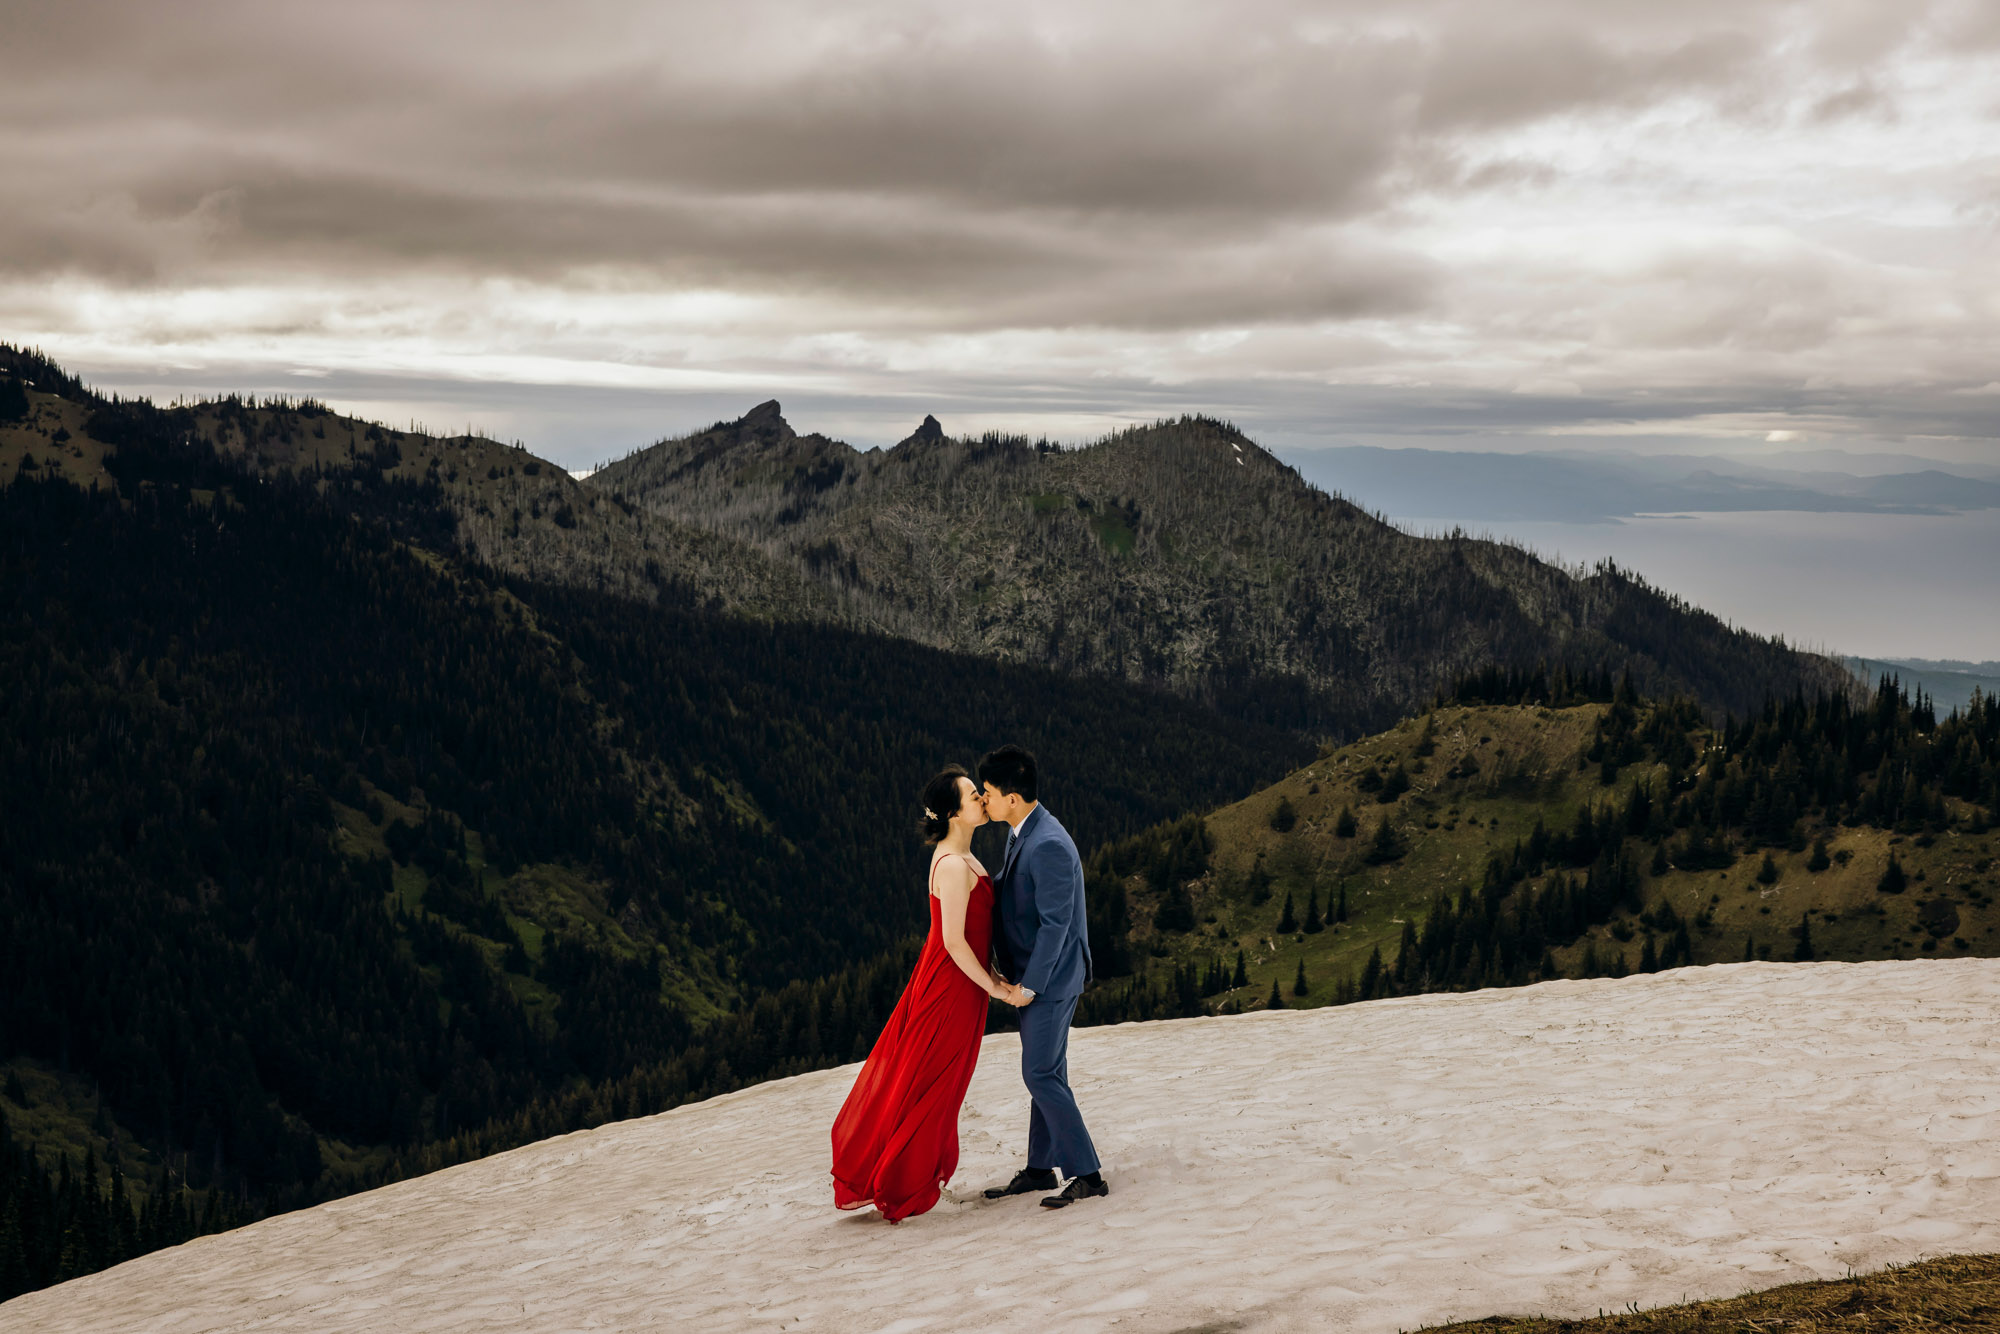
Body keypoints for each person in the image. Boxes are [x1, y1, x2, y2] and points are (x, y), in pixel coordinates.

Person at [830, 765, 1028, 1222]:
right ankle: (903, 1183)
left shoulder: (958, 856)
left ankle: (907, 1174)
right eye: (973, 795)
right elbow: (955, 943)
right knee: (932, 1081)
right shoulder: (955, 865)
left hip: (957, 983)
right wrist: (996, 988)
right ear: (955, 813)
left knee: (938, 1078)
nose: (982, 799)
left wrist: (992, 979)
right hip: (949, 987)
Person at [977, 744, 1108, 1209]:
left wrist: (1029, 985)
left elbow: (1058, 923)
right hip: (1037, 975)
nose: (983, 799)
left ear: (1012, 797)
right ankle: (1039, 1168)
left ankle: (1088, 1174)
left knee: (1040, 1073)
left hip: (1050, 981)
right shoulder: (1022, 830)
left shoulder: (1048, 842)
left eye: (988, 792)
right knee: (1046, 1072)